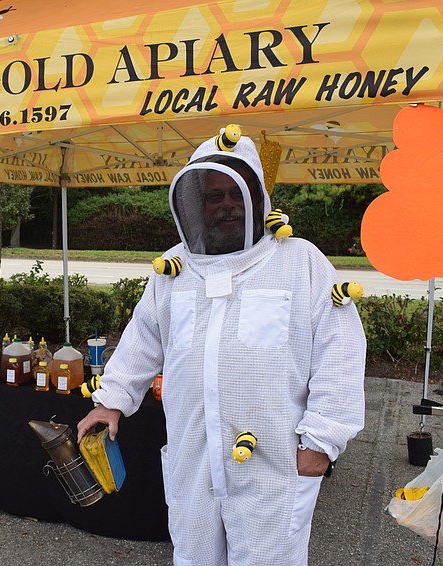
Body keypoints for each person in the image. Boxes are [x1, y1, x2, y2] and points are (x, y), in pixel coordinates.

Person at [77, 130, 366, 566]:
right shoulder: (174, 268)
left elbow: (340, 350)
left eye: (236, 193)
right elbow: (143, 337)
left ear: (258, 197)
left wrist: (322, 441)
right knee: (194, 557)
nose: (227, 204)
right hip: (193, 457)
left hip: (273, 461)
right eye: (214, 196)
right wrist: (110, 402)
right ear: (196, 203)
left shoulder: (299, 260)